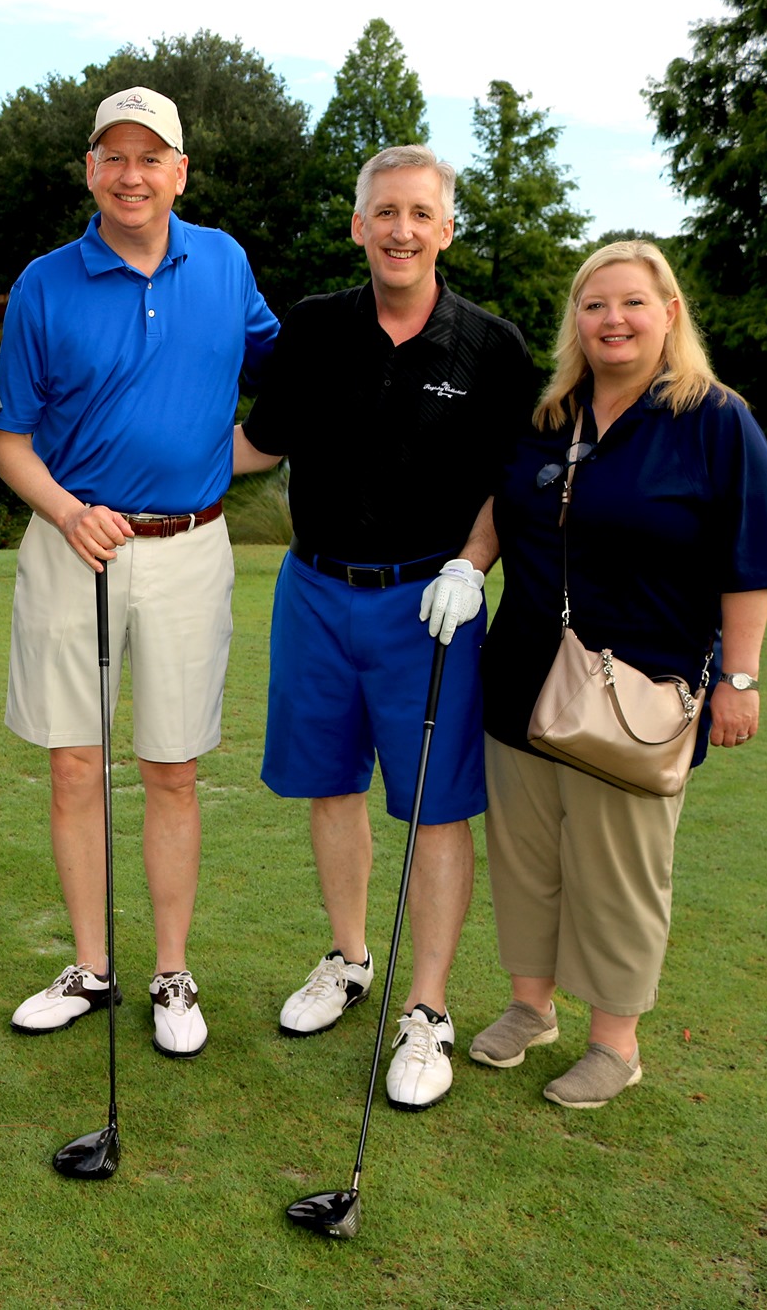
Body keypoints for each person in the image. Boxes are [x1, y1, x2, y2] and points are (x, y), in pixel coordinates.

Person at [231, 145, 536, 1110]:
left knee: (437, 807)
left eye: (420, 213)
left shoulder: (491, 344)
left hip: (430, 604)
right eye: (385, 213)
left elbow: (511, 482)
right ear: (359, 224)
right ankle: (350, 958)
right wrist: (119, 466)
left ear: (446, 229)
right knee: (331, 785)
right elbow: (258, 444)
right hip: (316, 591)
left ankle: (428, 1008)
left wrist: (471, 564)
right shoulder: (315, 325)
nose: (402, 230)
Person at [464, 239, 767, 1108]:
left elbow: (750, 561)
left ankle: (616, 1043)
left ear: (669, 313)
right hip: (523, 677)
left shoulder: (715, 420)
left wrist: (740, 680)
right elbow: (501, 503)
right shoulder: (549, 416)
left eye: (633, 302)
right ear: (576, 319)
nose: (613, 319)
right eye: (595, 304)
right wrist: (468, 564)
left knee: (620, 874)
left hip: (640, 692)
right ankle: (530, 1007)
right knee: (526, 858)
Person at [0, 87, 278, 1059]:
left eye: (150, 157)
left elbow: (288, 379)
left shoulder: (224, 261)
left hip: (191, 549)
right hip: (72, 544)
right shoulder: (44, 282)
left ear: (179, 172)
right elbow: (9, 437)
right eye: (113, 156)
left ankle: (169, 971)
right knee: (74, 763)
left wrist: (249, 448)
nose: (131, 174)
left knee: (171, 768)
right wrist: (67, 510)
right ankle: (90, 966)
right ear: (90, 170)